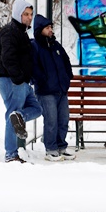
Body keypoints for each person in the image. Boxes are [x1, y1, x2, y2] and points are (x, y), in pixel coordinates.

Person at [0, 0, 43, 163]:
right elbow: (8, 58)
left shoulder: (21, 32)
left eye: (31, 14)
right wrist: (19, 79)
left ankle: (20, 117)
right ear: (18, 14)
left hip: (21, 81)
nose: (30, 17)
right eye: (26, 14)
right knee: (12, 113)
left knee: (36, 108)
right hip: (11, 80)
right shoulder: (9, 31)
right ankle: (10, 154)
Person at [31, 14, 75, 162]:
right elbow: (34, 68)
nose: (51, 30)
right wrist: (42, 81)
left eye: (51, 27)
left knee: (63, 119)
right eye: (47, 28)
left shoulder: (55, 44)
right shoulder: (35, 46)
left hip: (61, 89)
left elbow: (66, 60)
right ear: (40, 29)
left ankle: (61, 146)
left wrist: (67, 77)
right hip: (46, 91)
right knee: (51, 121)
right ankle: (51, 149)